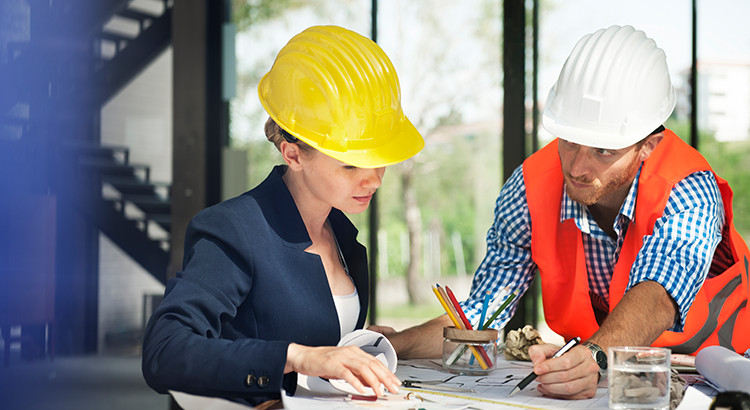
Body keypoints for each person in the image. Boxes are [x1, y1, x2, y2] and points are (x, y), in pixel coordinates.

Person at [378, 25, 750, 400]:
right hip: (605, 384)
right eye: (570, 141)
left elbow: (657, 295)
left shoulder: (688, 187)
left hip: (722, 379)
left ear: (648, 145)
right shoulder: (529, 187)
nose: (577, 167)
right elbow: (478, 314)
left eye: (602, 150)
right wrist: (394, 345)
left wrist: (592, 357)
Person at [142, 25, 424, 407]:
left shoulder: (341, 234)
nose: (373, 179)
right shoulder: (235, 228)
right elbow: (164, 351)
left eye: (380, 162)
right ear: (292, 155)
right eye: (350, 166)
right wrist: (298, 356)